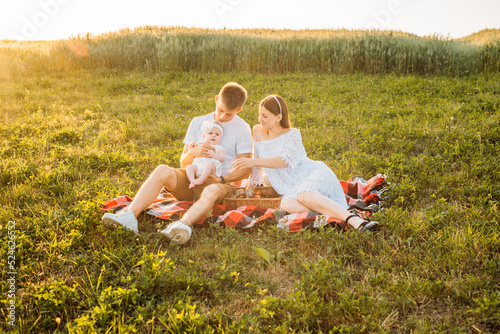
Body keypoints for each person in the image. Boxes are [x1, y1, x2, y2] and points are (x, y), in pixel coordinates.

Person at [102, 82, 253, 244]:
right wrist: (193, 153)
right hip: (190, 181)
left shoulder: (242, 128)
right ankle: (130, 216)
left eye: (229, 114)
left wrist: (221, 180)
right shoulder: (198, 122)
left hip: (217, 183)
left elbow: (245, 170)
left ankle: (181, 225)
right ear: (216, 99)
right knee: (162, 170)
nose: (223, 117)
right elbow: (183, 162)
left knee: (211, 191)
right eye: (221, 110)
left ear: (239, 110)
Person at [233, 95, 378, 231]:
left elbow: (284, 161)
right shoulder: (258, 131)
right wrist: (254, 185)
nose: (260, 119)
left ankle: (354, 220)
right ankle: (330, 211)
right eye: (259, 114)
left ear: (278, 117)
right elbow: (258, 165)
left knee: (304, 196)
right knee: (287, 204)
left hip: (311, 173)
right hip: (289, 185)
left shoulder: (293, 134)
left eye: (264, 116)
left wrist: (251, 162)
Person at [186, 121, 226, 189]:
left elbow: (222, 158)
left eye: (217, 134)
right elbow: (192, 149)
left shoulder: (219, 148)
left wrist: (214, 155)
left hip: (211, 170)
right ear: (204, 136)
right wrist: (192, 144)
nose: (213, 136)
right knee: (189, 167)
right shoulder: (200, 143)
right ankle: (192, 181)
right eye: (210, 133)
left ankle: (200, 180)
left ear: (220, 138)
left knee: (209, 165)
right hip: (198, 166)